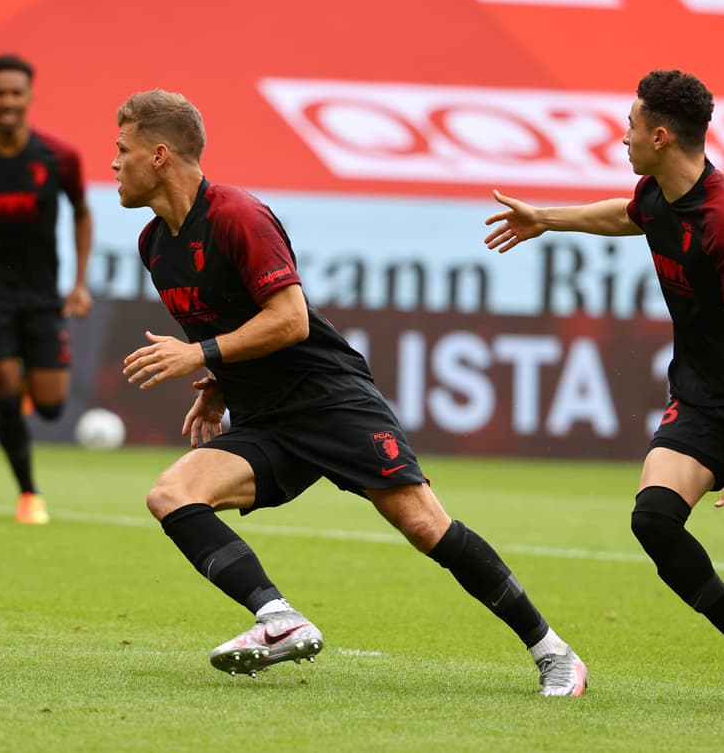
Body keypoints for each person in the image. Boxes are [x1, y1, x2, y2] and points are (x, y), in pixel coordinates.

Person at [113, 89, 587, 695]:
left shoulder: (237, 216)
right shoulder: (154, 244)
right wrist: (219, 384)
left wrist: (199, 354)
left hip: (329, 399)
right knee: (172, 495)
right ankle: (278, 619)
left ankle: (554, 653)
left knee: (424, 525)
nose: (114, 163)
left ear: (159, 155)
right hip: (266, 418)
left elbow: (291, 320)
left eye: (122, 149)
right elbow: (228, 322)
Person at [484, 69, 724, 712]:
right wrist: (545, 217)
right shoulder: (658, 192)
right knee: (654, 519)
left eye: (630, 126)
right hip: (702, 393)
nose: (623, 137)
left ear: (660, 136)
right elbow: (628, 215)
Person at [0, 53, 94, 525]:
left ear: (29, 97)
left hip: (41, 294)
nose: (7, 101)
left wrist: (80, 283)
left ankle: (29, 384)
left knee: (50, 407)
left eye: (15, 93)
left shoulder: (59, 157)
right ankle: (29, 492)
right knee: (5, 390)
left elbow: (81, 214)